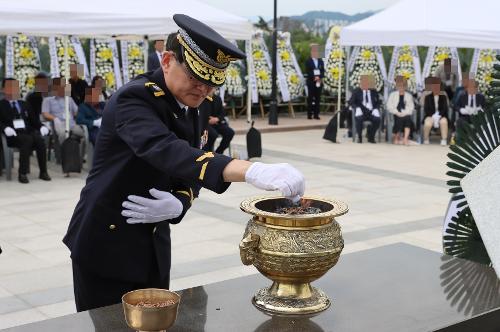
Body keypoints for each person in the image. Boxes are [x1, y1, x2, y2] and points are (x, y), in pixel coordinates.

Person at [63, 14, 305, 313]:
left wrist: (180, 202)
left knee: (156, 320)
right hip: (106, 240)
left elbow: (190, 171)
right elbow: (167, 150)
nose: (203, 90)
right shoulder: (134, 99)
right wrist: (250, 170)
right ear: (166, 61)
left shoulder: (195, 106)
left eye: (211, 82)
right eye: (195, 77)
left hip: (152, 240)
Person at [0, 78, 51, 183]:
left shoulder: (24, 104)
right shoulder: (1, 104)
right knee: (26, 140)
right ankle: (22, 173)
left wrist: (41, 126)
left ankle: (43, 172)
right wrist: (5, 128)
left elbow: (34, 120)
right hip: (12, 135)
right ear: (3, 89)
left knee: (40, 140)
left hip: (27, 132)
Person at [41, 77, 84, 143]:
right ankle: (63, 151)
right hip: (59, 124)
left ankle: (75, 149)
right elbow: (45, 113)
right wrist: (54, 118)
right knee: (64, 134)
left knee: (81, 133)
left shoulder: (69, 99)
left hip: (71, 124)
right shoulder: (48, 100)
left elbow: (76, 112)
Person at [199, 90, 234, 154]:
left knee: (230, 132)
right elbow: (200, 113)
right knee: (212, 134)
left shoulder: (218, 99)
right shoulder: (201, 99)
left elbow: (222, 113)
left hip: (217, 122)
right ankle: (208, 153)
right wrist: (207, 120)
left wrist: (217, 119)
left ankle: (219, 152)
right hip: (205, 123)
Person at [350, 75, 381, 143]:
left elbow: (378, 102)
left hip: (371, 112)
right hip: (361, 111)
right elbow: (351, 102)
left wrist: (376, 108)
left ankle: (371, 136)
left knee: (377, 120)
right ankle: (360, 137)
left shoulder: (373, 91)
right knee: (359, 119)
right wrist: (357, 108)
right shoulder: (356, 91)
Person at [387, 76, 415, 145]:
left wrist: (404, 113)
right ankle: (397, 138)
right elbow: (389, 106)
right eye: (399, 85)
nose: (401, 87)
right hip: (395, 114)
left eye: (403, 85)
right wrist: (397, 112)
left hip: (405, 114)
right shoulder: (392, 95)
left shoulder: (409, 95)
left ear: (405, 86)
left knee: (407, 118)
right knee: (401, 118)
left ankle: (405, 139)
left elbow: (411, 107)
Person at [423, 77, 449, 146]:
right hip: (430, 115)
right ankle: (426, 138)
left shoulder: (443, 97)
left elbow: (445, 108)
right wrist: (433, 116)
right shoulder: (428, 97)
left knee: (444, 122)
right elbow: (426, 109)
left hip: (441, 115)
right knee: (428, 123)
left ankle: (444, 139)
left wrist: (439, 115)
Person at [305, 44, 324, 120]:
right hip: (311, 81)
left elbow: (322, 71)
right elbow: (308, 71)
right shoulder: (308, 60)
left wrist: (319, 77)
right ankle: (309, 114)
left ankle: (316, 114)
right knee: (310, 98)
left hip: (318, 81)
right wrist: (314, 77)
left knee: (318, 98)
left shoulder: (320, 60)